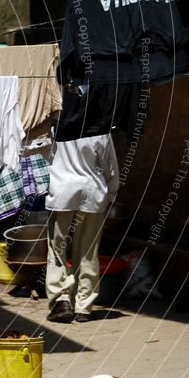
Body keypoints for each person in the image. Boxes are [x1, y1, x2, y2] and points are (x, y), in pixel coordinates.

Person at [45, 133, 119, 323]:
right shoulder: (101, 129)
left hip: (62, 190)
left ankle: (61, 300)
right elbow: (110, 167)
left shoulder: (59, 127)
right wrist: (111, 194)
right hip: (93, 192)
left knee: (57, 248)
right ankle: (84, 306)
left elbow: (45, 156)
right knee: (88, 249)